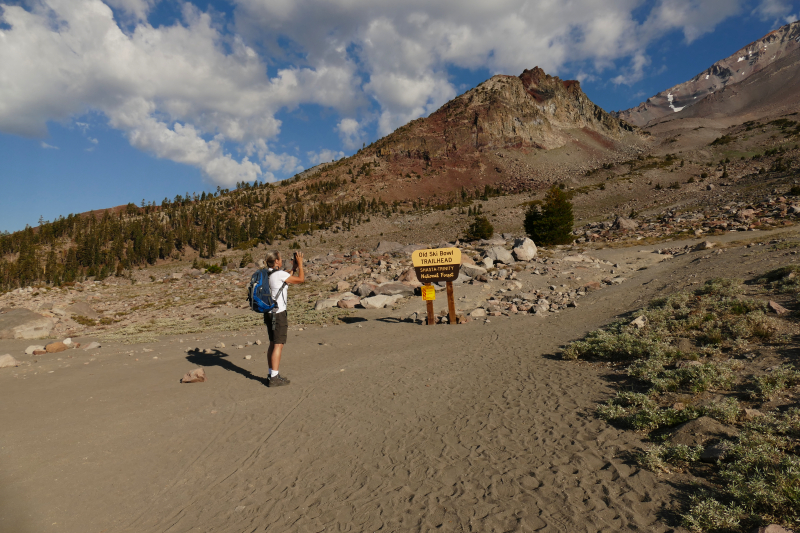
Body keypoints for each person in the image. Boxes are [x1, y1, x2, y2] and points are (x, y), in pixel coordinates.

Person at [263, 250, 304, 387]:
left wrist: (293, 268)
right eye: (280, 258)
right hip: (278, 314)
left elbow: (286, 278)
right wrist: (301, 266)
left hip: (268, 312)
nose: (281, 260)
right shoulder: (279, 274)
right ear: (276, 261)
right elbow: (300, 280)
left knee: (272, 343)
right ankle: (274, 377)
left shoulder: (268, 273)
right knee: (278, 344)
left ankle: (271, 374)